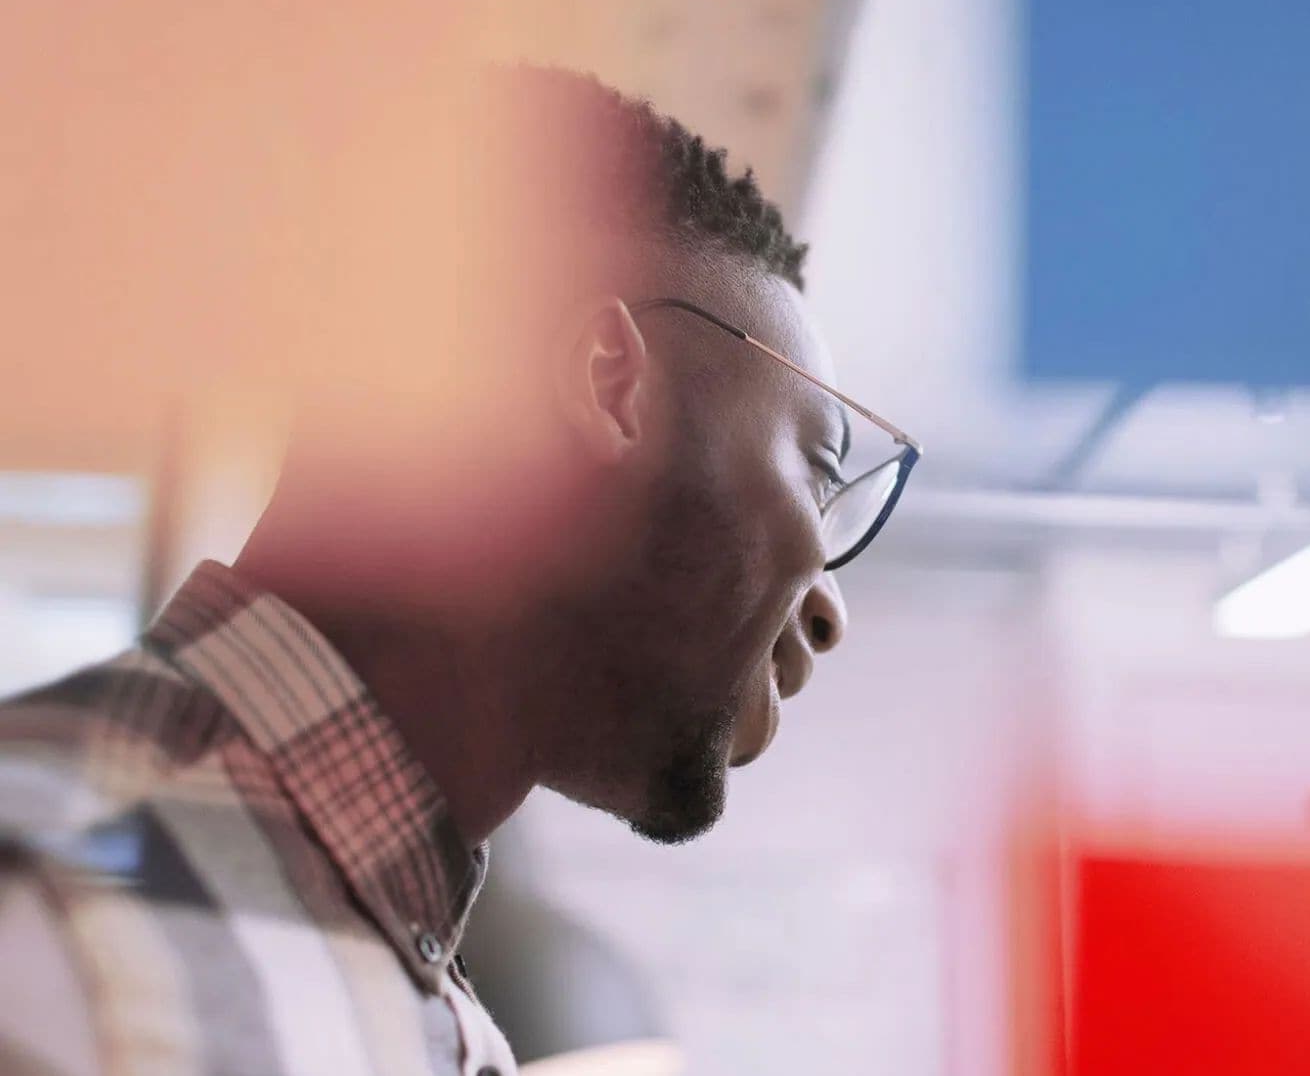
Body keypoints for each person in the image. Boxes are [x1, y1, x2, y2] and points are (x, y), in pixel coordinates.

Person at [0, 66, 919, 1076]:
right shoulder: (46, 901)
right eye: (823, 467)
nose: (830, 607)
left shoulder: (432, 1010)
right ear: (608, 381)